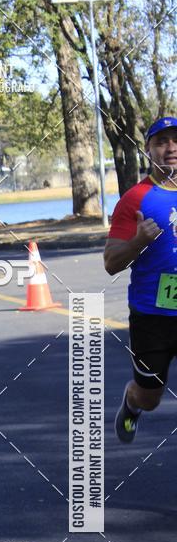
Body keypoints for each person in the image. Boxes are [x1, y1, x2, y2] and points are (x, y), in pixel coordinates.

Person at [104, 116, 177, 442]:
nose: (171, 148)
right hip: (153, 317)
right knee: (150, 395)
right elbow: (111, 263)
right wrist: (138, 241)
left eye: (176, 140)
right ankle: (132, 403)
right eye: (162, 141)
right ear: (148, 150)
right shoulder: (135, 199)